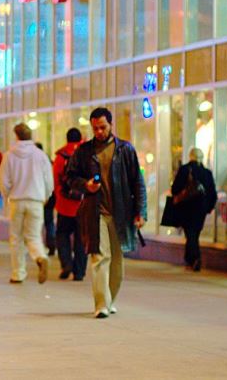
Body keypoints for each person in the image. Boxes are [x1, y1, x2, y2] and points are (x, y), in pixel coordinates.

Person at [65, 107, 147, 319]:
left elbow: (138, 183)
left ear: (111, 125)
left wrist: (141, 212)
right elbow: (70, 177)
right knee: (100, 257)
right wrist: (86, 185)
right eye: (95, 128)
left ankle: (110, 299)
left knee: (117, 261)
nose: (99, 132)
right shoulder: (84, 151)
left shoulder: (125, 150)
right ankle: (101, 304)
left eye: (102, 127)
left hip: (121, 212)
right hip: (95, 211)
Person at [0, 123, 54, 285]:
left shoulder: (9, 155)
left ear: (16, 136)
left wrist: (7, 196)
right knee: (34, 236)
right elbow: (48, 180)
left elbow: (4, 181)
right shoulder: (40, 155)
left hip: (17, 200)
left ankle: (18, 273)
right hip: (36, 200)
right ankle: (40, 257)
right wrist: (45, 196)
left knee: (16, 238)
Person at [171, 148, 217, 272]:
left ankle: (195, 258)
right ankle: (190, 259)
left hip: (186, 207)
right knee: (194, 233)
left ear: (190, 156)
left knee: (190, 234)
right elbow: (213, 193)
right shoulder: (207, 173)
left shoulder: (184, 170)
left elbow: (175, 189)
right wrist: (208, 208)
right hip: (201, 209)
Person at [53, 128, 86, 281]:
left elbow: (56, 180)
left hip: (64, 205)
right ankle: (79, 272)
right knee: (81, 239)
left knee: (62, 235)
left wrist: (59, 196)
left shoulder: (61, 157)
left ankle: (66, 263)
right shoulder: (87, 154)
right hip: (83, 205)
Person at [37, 142, 57, 256]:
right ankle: (51, 244)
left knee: (38, 224)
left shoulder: (34, 163)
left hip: (39, 196)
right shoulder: (48, 161)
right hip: (50, 196)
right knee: (49, 222)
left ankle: (39, 247)